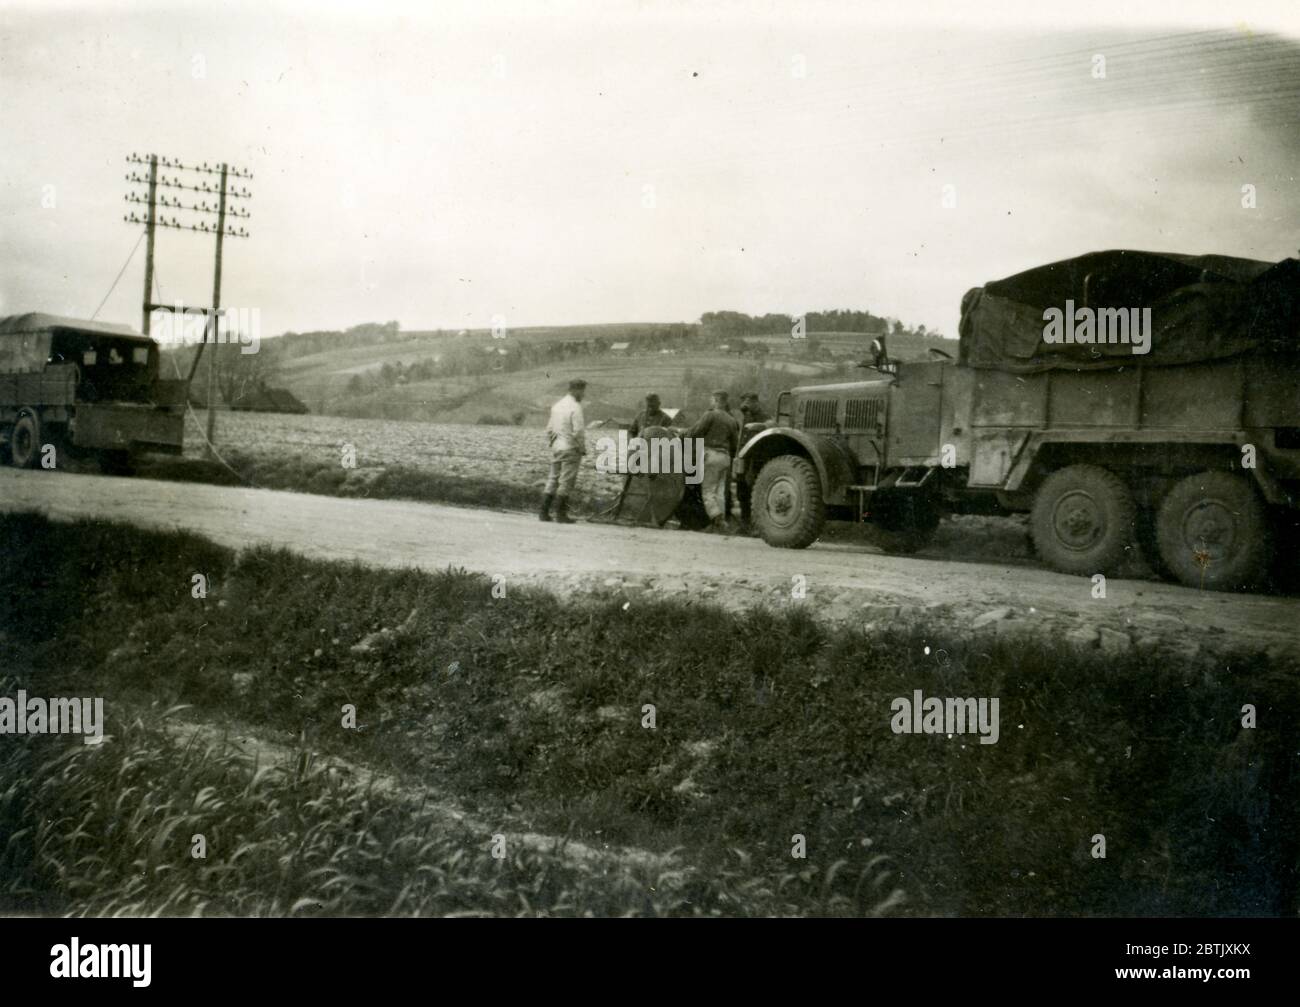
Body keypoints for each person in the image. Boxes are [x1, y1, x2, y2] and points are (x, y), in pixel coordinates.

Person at [684, 390, 740, 532]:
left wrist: (683, 435)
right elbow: (735, 444)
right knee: (720, 491)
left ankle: (716, 518)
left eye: (712, 400)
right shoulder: (732, 420)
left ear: (715, 400)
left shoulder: (710, 415)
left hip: (711, 455)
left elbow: (695, 431)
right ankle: (720, 526)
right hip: (726, 458)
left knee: (708, 490)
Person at [540, 378, 587, 524]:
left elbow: (549, 429)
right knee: (566, 482)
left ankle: (544, 513)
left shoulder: (557, 406)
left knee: (553, 479)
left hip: (557, 447)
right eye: (582, 391)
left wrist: (554, 444)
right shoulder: (576, 407)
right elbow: (578, 431)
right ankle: (561, 515)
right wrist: (582, 447)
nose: (583, 394)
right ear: (576, 390)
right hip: (570, 448)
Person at [735, 392, 768, 530]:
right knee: (741, 490)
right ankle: (745, 523)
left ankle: (756, 525)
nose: (746, 405)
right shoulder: (745, 417)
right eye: (744, 402)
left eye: (749, 402)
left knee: (753, 489)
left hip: (756, 458)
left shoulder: (765, 418)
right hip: (744, 457)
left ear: (756, 402)